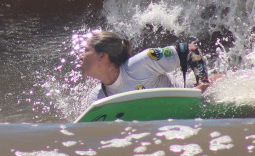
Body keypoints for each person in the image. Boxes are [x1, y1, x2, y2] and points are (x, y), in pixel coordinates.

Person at [80, 31, 224, 105]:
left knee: (218, 82)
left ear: (102, 56)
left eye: (86, 50)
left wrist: (202, 83)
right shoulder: (97, 98)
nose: (81, 56)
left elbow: (189, 49)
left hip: (190, 102)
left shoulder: (142, 63)